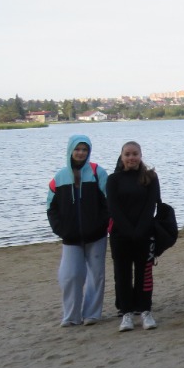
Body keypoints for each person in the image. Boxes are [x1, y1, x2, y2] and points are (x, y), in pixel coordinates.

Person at [48, 135, 109, 328]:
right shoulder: (59, 178)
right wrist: (61, 229)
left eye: (84, 149)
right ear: (70, 150)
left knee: (96, 276)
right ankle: (71, 316)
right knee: (70, 276)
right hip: (70, 237)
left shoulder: (98, 172)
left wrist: (102, 225)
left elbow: (109, 202)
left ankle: (92, 314)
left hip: (96, 235)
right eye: (77, 149)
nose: (81, 153)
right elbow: (51, 208)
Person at [107, 141, 161, 331]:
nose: (131, 158)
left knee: (144, 273)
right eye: (127, 154)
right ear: (122, 157)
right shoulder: (113, 179)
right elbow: (113, 208)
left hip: (144, 233)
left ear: (140, 155)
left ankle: (145, 310)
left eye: (135, 154)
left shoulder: (150, 177)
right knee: (122, 274)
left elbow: (151, 204)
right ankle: (126, 313)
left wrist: (140, 230)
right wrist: (128, 230)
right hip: (120, 235)